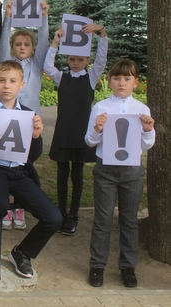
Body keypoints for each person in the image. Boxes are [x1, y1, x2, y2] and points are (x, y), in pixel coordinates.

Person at [0, 60, 63, 294]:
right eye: (2, 80)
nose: (6, 86)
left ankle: (23, 253)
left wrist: (37, 136)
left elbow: (33, 156)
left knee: (53, 217)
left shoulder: (28, 114)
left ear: (21, 85)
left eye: (12, 81)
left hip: (18, 172)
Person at [85, 59, 155, 289]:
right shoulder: (100, 107)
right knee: (103, 219)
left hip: (132, 170)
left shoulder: (142, 109)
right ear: (109, 81)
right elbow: (90, 141)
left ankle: (128, 267)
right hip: (106, 169)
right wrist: (97, 128)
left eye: (127, 78)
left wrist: (148, 130)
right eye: (116, 78)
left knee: (129, 219)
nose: (121, 83)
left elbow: (147, 144)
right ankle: (97, 265)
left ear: (136, 82)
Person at [44, 24, 109, 235]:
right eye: (72, 59)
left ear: (87, 61)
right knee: (62, 175)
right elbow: (47, 66)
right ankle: (61, 213)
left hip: (81, 133)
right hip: (64, 132)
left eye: (80, 60)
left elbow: (102, 60)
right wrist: (55, 43)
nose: (75, 63)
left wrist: (102, 33)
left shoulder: (91, 77)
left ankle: (73, 214)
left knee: (77, 175)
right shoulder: (62, 77)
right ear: (67, 59)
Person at [0, 0, 50, 230]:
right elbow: (2, 44)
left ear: (32, 48)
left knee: (25, 165)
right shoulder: (7, 65)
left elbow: (45, 42)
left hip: (30, 121)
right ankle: (5, 208)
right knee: (5, 163)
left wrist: (44, 16)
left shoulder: (36, 65)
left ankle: (19, 206)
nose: (22, 47)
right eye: (17, 44)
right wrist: (8, 16)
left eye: (26, 44)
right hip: (8, 119)